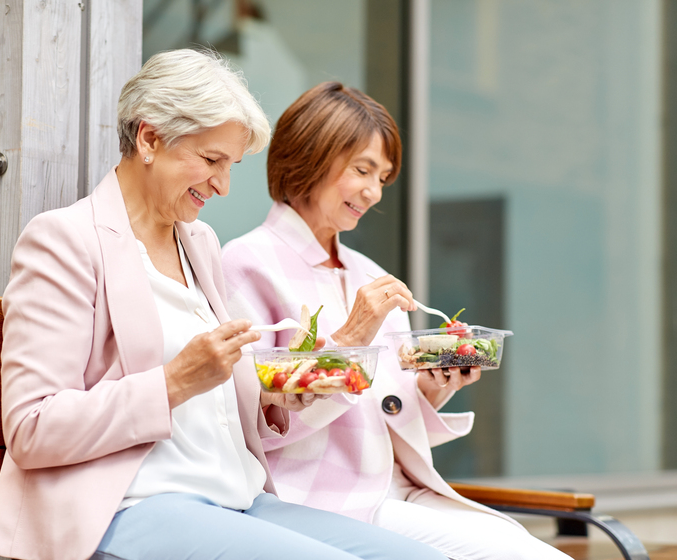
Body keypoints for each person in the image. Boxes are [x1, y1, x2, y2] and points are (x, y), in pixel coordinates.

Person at [0, 51, 447, 560]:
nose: (223, 186)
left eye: (231, 166)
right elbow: (32, 428)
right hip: (132, 505)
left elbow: (217, 402)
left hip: (238, 497)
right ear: (149, 138)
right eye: (211, 161)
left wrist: (275, 395)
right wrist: (174, 381)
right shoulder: (63, 241)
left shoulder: (199, 243)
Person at [221, 82, 572, 560]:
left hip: (399, 491)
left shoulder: (369, 274)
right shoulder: (245, 264)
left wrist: (432, 386)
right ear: (308, 156)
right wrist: (350, 338)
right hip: (319, 502)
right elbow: (254, 426)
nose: (374, 192)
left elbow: (387, 414)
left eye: (383, 177)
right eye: (362, 169)